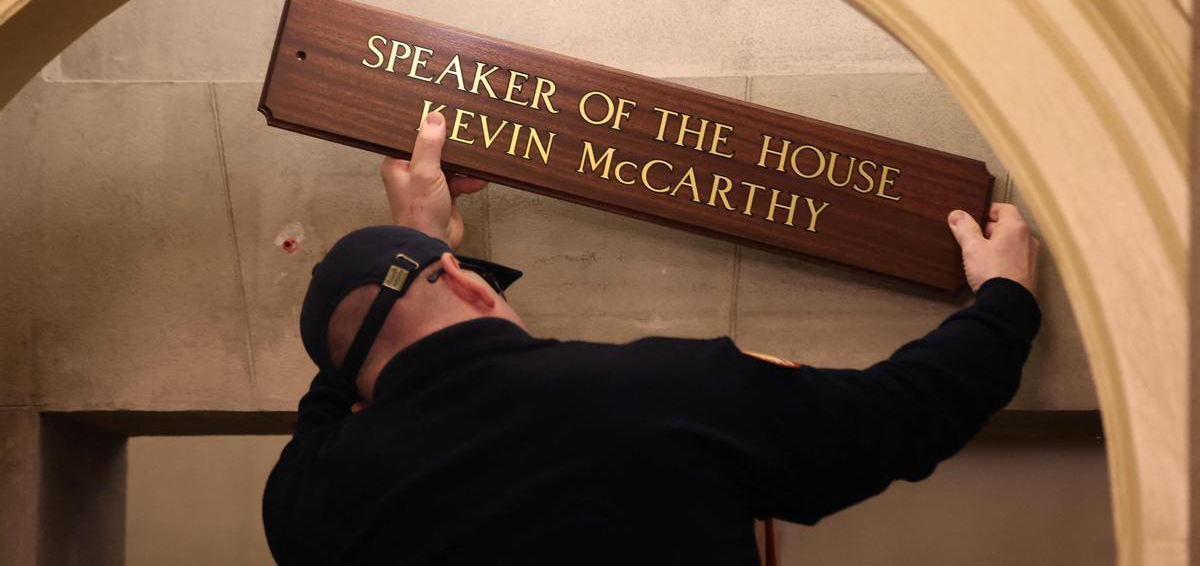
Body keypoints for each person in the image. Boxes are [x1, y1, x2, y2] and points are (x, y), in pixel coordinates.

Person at [262, 111, 1041, 565]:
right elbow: (902, 415)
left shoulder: (309, 503)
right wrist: (1005, 296)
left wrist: (413, 250)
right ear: (470, 284)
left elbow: (335, 387)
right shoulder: (666, 391)